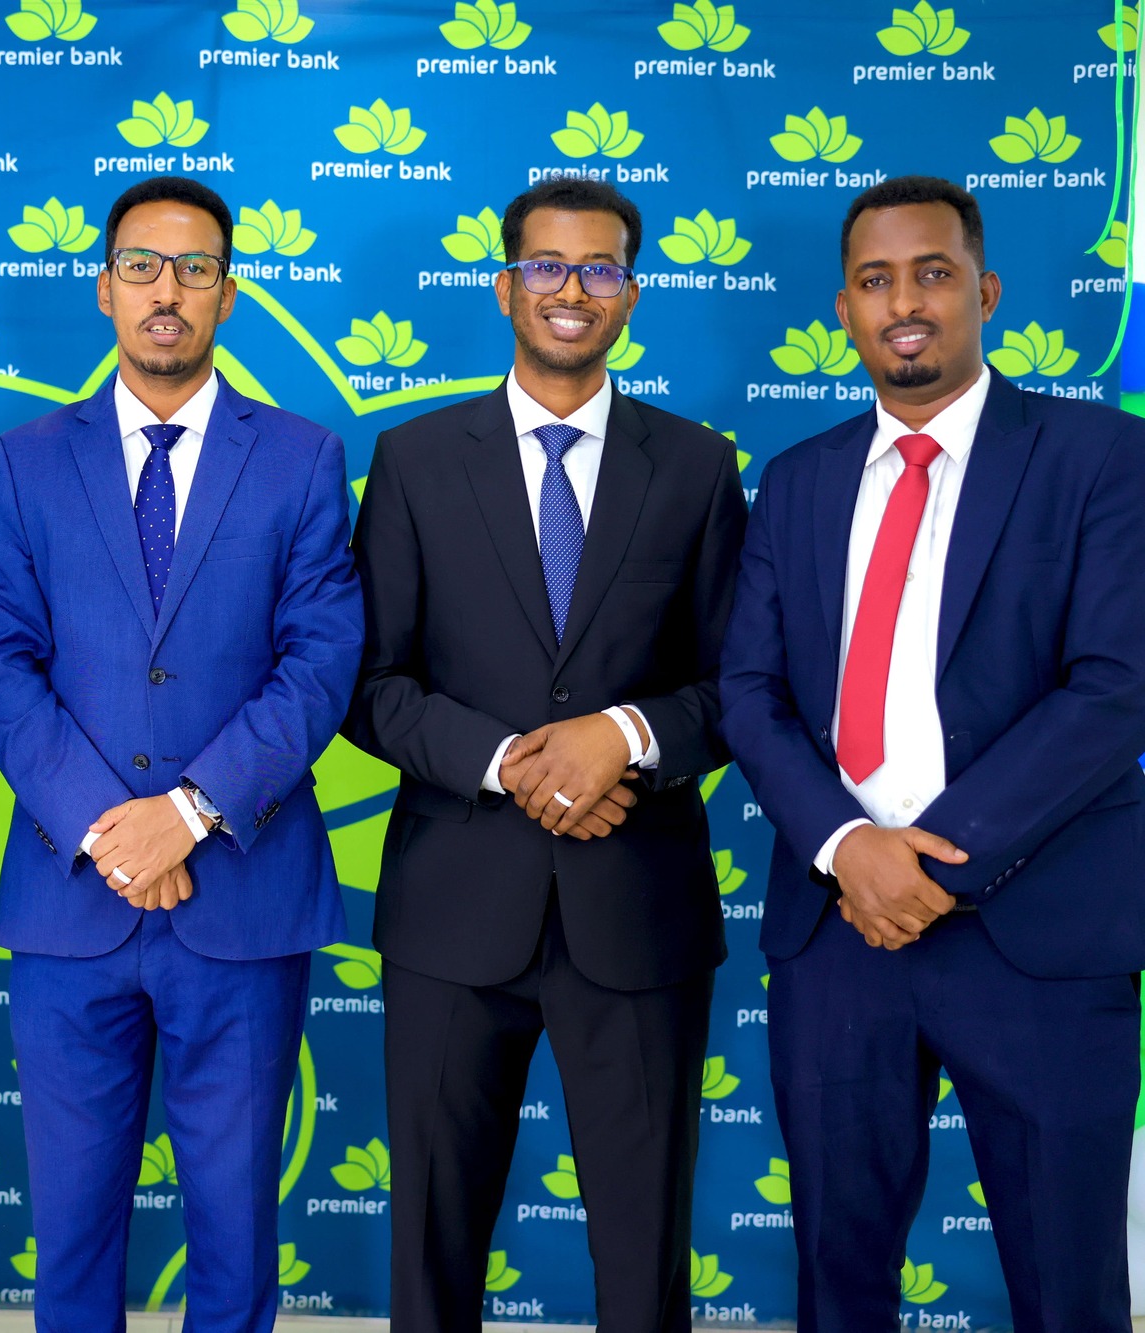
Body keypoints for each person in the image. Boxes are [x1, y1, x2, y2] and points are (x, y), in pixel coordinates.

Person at [720, 176, 1145, 1332]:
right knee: (837, 1281)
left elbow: (1113, 689)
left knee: (1066, 1287)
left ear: (984, 291)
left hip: (1035, 935)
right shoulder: (795, 480)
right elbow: (747, 693)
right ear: (844, 311)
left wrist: (933, 864)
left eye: (931, 272)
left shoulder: (1104, 457)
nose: (902, 300)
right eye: (873, 280)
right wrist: (850, 847)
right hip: (837, 934)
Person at [0, 175, 362, 1333]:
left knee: (233, 1226)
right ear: (103, 289)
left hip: (239, 902)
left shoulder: (297, 457)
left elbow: (318, 663)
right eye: (141, 265)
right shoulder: (28, 460)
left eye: (194, 268)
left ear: (227, 294)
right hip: (68, 903)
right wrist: (110, 822)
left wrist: (184, 813)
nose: (166, 291)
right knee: (72, 1226)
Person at [347, 178, 747, 1333]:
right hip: (450, 907)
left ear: (630, 290)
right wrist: (514, 761)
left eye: (600, 268)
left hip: (637, 908)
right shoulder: (415, 460)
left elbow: (738, 690)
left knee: (641, 1251)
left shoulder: (695, 466)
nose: (571, 290)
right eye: (545, 266)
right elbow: (368, 686)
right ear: (503, 283)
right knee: (430, 1245)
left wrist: (618, 741)